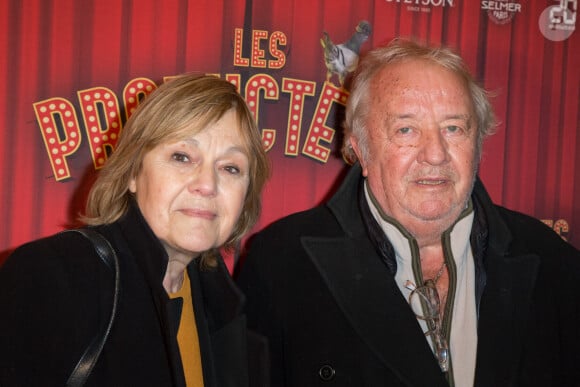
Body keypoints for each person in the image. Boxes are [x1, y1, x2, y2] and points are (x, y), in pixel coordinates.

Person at [236, 38, 580, 387]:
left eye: (453, 128)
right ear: (360, 150)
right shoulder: (281, 265)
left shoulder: (555, 264)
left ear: (478, 145)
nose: (435, 154)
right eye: (406, 130)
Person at [0, 74, 270, 386]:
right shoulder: (52, 276)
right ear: (132, 173)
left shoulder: (221, 309)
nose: (208, 185)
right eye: (181, 157)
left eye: (230, 168)